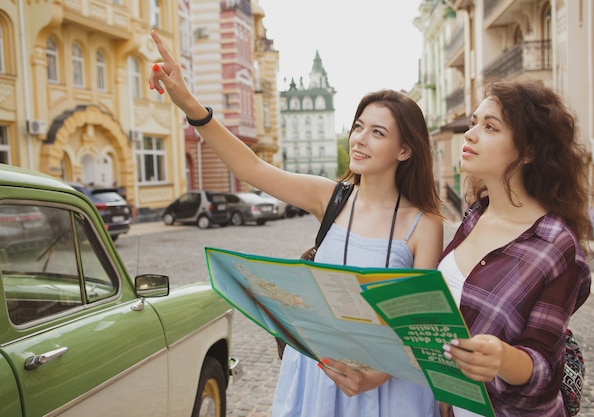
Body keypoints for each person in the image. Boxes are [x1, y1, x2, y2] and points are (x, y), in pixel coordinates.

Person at [149, 30, 444, 417]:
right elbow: (250, 167)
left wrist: (376, 376)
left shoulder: (424, 224)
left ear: (405, 150)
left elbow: (419, 327)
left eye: (377, 133)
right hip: (318, 373)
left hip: (387, 387)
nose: (360, 140)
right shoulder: (331, 197)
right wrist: (187, 101)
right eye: (358, 126)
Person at [437, 80, 591, 417]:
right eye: (474, 122)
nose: (470, 134)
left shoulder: (555, 246)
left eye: (490, 127)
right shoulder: (475, 217)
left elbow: (544, 369)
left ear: (528, 151)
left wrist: (503, 359)